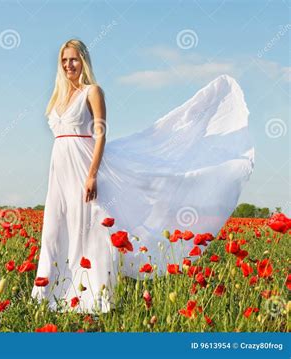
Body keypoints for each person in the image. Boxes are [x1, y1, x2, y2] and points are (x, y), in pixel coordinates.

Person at [31, 38, 255, 314]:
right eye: (64, 60)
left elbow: (100, 134)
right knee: (55, 229)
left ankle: (93, 297)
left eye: (74, 59)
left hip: (84, 166)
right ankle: (49, 295)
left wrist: (92, 175)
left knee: (90, 228)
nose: (69, 65)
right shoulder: (58, 97)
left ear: (84, 61)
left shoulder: (92, 92)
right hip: (59, 170)